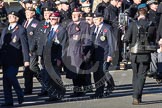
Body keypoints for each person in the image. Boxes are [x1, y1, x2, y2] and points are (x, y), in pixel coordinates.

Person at [124, 4, 152, 105]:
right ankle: (137, 96)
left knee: (135, 75)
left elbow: (126, 39)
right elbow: (154, 39)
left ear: (138, 13)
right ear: (147, 13)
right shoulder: (151, 24)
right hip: (146, 53)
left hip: (134, 53)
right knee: (142, 76)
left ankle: (136, 96)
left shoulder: (132, 24)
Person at [0, 11, 30, 107]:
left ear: (16, 18)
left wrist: (26, 60)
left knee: (11, 76)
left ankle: (19, 93)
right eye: (9, 16)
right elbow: (1, 44)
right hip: (4, 59)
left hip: (14, 59)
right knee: (5, 80)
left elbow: (24, 46)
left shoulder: (21, 29)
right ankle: (8, 100)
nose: (10, 18)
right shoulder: (5, 30)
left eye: (12, 16)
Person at [65, 7, 92, 97]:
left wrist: (83, 51)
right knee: (73, 73)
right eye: (72, 15)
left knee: (80, 73)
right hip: (71, 52)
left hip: (80, 53)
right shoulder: (70, 25)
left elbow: (88, 40)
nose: (74, 16)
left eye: (76, 15)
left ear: (80, 15)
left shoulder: (85, 25)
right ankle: (76, 90)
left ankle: (80, 90)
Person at [91, 13, 115, 98]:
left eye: (96, 19)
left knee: (103, 71)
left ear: (101, 19)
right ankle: (98, 91)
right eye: (94, 20)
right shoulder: (93, 28)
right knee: (96, 73)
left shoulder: (107, 28)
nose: (94, 21)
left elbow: (111, 42)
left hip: (104, 54)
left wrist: (110, 54)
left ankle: (108, 86)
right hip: (95, 55)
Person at [22, 7, 40, 95]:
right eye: (26, 12)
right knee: (27, 70)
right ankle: (28, 89)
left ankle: (46, 83)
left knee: (33, 68)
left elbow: (36, 38)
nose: (27, 13)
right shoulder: (24, 23)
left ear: (33, 13)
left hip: (32, 50)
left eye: (29, 12)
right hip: (25, 50)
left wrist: (32, 49)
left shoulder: (36, 23)